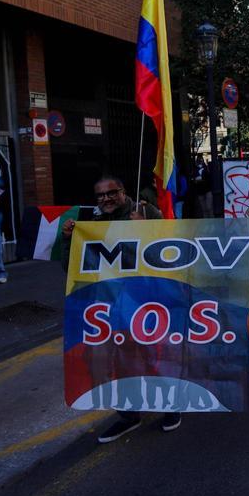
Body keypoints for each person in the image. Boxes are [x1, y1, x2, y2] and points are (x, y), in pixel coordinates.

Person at [59, 176, 179, 441]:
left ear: (123, 192)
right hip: (111, 305)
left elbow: (173, 249)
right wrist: (70, 239)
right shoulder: (93, 223)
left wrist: (146, 228)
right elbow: (73, 268)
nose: (106, 199)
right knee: (117, 362)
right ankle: (129, 415)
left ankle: (171, 407)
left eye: (111, 193)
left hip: (147, 303)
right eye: (100, 195)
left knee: (152, 357)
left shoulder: (146, 211)